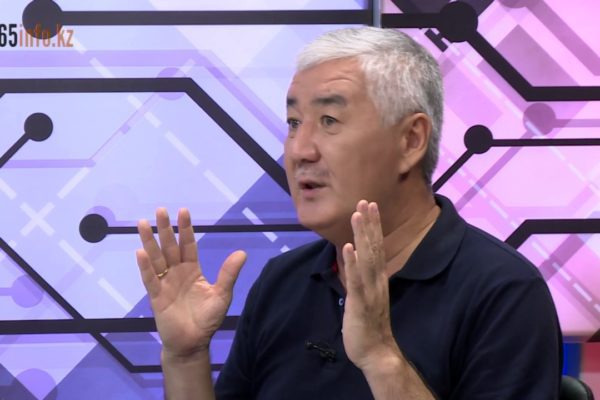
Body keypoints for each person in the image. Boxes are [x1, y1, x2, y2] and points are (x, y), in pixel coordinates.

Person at [136, 27, 562, 399]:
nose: (299, 151)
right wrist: (185, 356)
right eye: (293, 122)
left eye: (329, 120)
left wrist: (381, 356)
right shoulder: (283, 281)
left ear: (411, 141)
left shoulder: (503, 293)